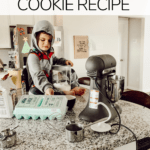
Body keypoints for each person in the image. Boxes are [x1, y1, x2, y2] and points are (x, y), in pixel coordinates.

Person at [27, 20, 85, 96]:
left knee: (71, 71)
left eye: (50, 40)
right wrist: (47, 87)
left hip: (50, 82)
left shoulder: (49, 53)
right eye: (42, 40)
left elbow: (55, 60)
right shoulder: (33, 56)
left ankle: (74, 87)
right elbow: (37, 75)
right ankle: (63, 93)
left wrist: (64, 61)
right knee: (34, 92)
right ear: (36, 39)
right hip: (38, 85)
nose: (46, 43)